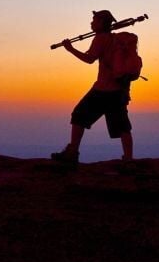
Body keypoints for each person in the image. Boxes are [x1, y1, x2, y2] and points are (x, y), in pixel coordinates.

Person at [51, 10, 143, 164]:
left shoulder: (100, 39)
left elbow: (89, 59)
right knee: (122, 126)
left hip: (103, 89)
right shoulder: (114, 39)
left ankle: (72, 153)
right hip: (119, 90)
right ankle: (128, 159)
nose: (91, 23)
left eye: (94, 20)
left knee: (79, 116)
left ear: (101, 23)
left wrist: (70, 48)